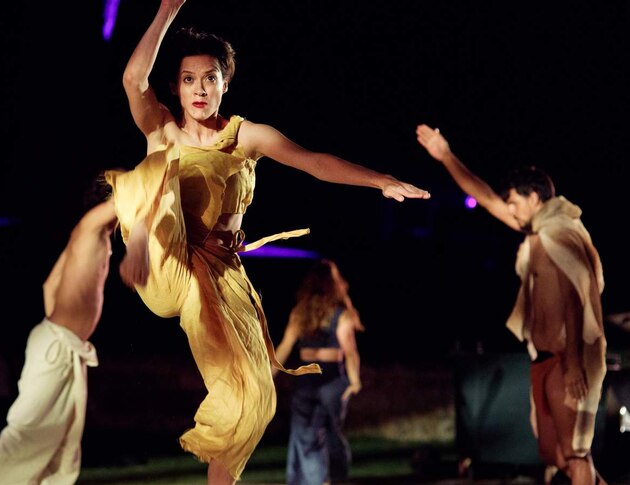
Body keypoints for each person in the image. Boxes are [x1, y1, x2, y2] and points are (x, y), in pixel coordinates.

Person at [105, 1, 431, 483]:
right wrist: (165, 10)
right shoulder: (163, 128)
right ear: (175, 86)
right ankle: (139, 240)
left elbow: (313, 161)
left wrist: (378, 180)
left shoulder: (246, 136)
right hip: (163, 260)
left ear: (225, 84)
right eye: (189, 79)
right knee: (157, 162)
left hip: (218, 276)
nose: (199, 88)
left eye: (210, 78)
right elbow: (134, 81)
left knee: (252, 395)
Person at [415, 124, 607, 485]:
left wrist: (576, 365)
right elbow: (486, 198)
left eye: (515, 202)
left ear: (534, 198)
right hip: (544, 358)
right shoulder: (537, 232)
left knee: (576, 455)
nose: (511, 210)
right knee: (557, 455)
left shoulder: (560, 232)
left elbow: (575, 293)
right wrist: (445, 156)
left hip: (570, 359)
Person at [0, 196, 117, 485]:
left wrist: (61, 327)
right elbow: (128, 190)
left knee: (60, 443)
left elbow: (49, 286)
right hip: (57, 344)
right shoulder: (88, 228)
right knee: (28, 432)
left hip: (58, 342)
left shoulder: (88, 236)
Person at [273, 259, 365, 485]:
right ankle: (327, 478)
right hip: (328, 378)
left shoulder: (304, 313)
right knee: (326, 432)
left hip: (316, 378)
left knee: (310, 434)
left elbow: (284, 347)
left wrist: (268, 376)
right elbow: (351, 351)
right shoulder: (337, 314)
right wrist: (354, 381)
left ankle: (320, 478)